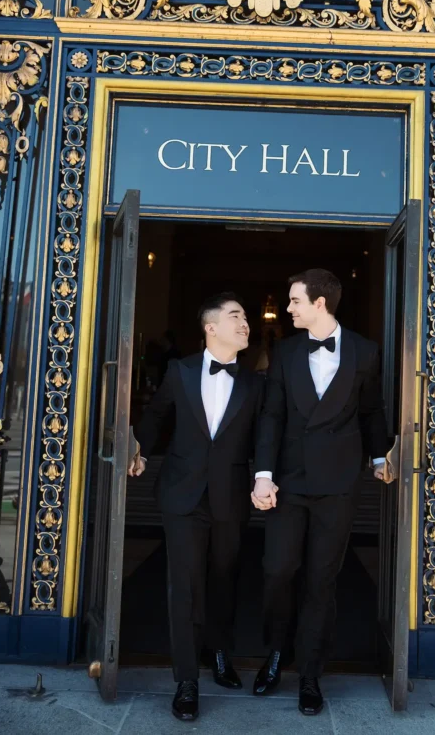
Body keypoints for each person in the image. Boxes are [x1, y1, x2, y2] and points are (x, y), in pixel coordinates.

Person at [251, 269, 390, 716]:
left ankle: (310, 673)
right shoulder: (287, 350)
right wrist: (263, 474)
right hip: (288, 481)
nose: (287, 308)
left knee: (321, 580)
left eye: (294, 301)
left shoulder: (365, 352)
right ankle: (277, 651)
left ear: (319, 304)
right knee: (277, 570)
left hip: (338, 483)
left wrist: (380, 458)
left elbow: (372, 412)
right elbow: (271, 416)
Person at [129, 293, 263, 723]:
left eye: (245, 317)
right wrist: (141, 451)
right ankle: (186, 681)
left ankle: (218, 652)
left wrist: (264, 475)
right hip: (182, 496)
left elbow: (265, 436)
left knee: (224, 579)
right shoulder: (179, 370)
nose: (246, 323)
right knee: (184, 585)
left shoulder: (256, 383)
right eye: (236, 316)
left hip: (230, 495)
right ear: (211, 327)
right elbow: (155, 416)